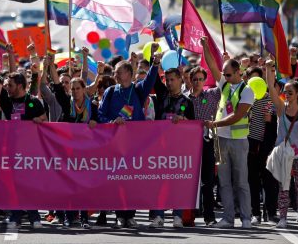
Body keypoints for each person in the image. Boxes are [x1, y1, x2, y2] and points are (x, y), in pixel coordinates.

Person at [98, 43, 160, 229]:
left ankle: (130, 214)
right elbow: (101, 114)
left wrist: (155, 63)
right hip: (115, 143)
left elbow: (149, 81)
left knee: (132, 180)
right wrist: (112, 122)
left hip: (134, 144)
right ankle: (119, 215)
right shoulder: (110, 92)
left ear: (129, 74)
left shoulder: (138, 90)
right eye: (115, 72)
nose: (115, 75)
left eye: (119, 72)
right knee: (117, 180)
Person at [0, 49, 47, 230]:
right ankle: (16, 216)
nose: (6, 88)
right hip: (10, 150)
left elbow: (45, 121)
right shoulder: (6, 99)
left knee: (29, 185)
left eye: (10, 85)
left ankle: (34, 216)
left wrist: (38, 120)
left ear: (19, 86)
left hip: (30, 151)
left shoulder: (33, 102)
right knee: (13, 185)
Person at [204, 51, 255, 229]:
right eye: (224, 74)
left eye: (228, 74)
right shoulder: (225, 84)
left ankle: (246, 218)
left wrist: (214, 124)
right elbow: (211, 66)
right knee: (224, 182)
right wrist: (205, 46)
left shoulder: (247, 91)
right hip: (221, 140)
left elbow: (237, 116)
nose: (224, 77)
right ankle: (228, 218)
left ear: (238, 72)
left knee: (241, 181)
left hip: (238, 141)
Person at [265, 60, 298, 229]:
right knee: (283, 188)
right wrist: (268, 69)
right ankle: (283, 218)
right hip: (283, 154)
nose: (286, 94)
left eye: (290, 92)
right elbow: (271, 89)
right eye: (285, 92)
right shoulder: (280, 108)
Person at [50, 64, 99, 228]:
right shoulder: (66, 104)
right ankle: (68, 217)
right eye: (72, 89)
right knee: (66, 185)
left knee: (82, 187)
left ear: (84, 89)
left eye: (78, 88)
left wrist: (95, 122)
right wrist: (50, 64)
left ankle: (84, 218)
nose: (75, 92)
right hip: (66, 152)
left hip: (84, 153)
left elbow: (101, 123)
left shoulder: (92, 107)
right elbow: (57, 87)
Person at [149, 66, 195, 228]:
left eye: (172, 80)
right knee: (159, 183)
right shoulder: (161, 97)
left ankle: (178, 216)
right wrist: (155, 61)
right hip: (160, 148)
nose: (168, 83)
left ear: (180, 79)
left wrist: (184, 120)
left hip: (179, 149)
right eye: (166, 80)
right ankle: (158, 216)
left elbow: (194, 126)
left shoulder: (187, 102)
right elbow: (153, 78)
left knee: (178, 183)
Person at [189, 40, 224, 226]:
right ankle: (191, 215)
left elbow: (223, 82)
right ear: (190, 80)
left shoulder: (212, 95)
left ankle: (210, 216)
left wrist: (207, 50)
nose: (197, 82)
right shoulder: (185, 99)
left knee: (208, 182)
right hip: (188, 144)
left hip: (207, 141)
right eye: (194, 79)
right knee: (190, 181)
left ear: (204, 81)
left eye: (201, 79)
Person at [246, 65, 277, 224]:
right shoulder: (245, 99)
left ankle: (271, 213)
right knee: (252, 181)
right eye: (252, 79)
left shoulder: (269, 99)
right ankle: (255, 213)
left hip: (266, 146)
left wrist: (270, 120)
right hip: (249, 146)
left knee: (269, 180)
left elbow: (274, 125)